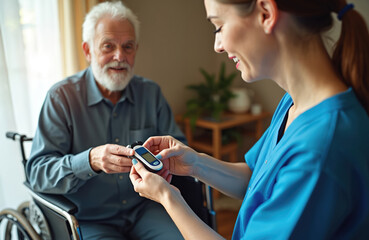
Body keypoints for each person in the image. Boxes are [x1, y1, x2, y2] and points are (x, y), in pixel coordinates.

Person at [130, 0, 369, 239]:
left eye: (219, 26)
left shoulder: (320, 149)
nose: (218, 46)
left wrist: (167, 197)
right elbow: (257, 178)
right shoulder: (294, 103)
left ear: (266, 13)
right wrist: (196, 163)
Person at [26, 1, 186, 239]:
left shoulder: (151, 94)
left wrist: (163, 160)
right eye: (108, 46)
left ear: (136, 50)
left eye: (128, 47)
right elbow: (38, 173)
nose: (119, 56)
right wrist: (88, 161)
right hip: (89, 219)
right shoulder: (61, 98)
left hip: (146, 209)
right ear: (88, 51)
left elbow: (178, 148)